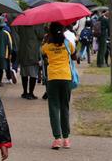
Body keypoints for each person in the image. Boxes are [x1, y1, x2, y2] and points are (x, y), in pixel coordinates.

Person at [41, 22, 76, 150]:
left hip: (52, 78)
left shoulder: (47, 45)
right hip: (66, 77)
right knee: (64, 107)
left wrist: (47, 39)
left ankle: (57, 139)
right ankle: (66, 139)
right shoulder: (67, 43)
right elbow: (73, 53)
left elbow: (42, 53)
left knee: (54, 107)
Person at [16, 24, 43, 100]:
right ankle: (31, 93)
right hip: (33, 52)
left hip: (22, 51)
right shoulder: (36, 25)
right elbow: (41, 35)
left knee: (24, 73)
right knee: (33, 73)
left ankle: (24, 92)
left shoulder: (21, 26)